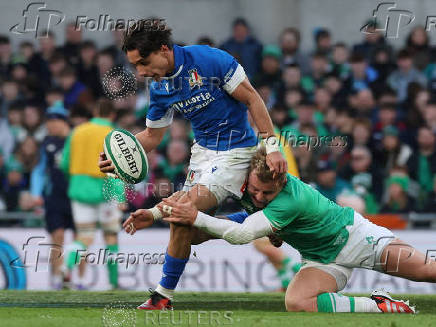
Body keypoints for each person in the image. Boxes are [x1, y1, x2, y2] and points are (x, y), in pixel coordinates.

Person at [99, 18, 287, 309]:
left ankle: (162, 296)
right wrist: (121, 156)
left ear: (164, 49)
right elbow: (152, 134)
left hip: (236, 152)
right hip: (202, 155)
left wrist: (272, 146)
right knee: (186, 228)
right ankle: (255, 221)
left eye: (144, 62)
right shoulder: (160, 89)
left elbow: (252, 99)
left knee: (183, 209)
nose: (141, 72)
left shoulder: (210, 60)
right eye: (136, 66)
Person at [144, 147, 436, 313]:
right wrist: (173, 217)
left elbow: (242, 234)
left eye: (267, 194)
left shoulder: (290, 198)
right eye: (256, 190)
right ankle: (381, 306)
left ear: (281, 185)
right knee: (297, 302)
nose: (258, 197)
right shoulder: (251, 183)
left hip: (358, 238)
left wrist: (196, 217)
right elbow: (244, 219)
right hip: (321, 259)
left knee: (428, 271)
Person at [61, 99, 125, 290]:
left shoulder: (77, 131)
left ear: (94, 112)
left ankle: (66, 268)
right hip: (105, 190)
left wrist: (75, 181)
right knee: (111, 236)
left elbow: (65, 163)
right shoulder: (113, 134)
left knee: (84, 236)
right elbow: (116, 168)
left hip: (79, 189)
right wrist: (120, 196)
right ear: (112, 115)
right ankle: (113, 283)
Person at [30, 102, 74, 289]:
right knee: (57, 236)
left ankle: (76, 279)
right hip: (54, 197)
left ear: (63, 122)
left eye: (52, 120)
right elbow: (39, 170)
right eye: (48, 121)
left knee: (81, 239)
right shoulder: (47, 143)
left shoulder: (75, 140)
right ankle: (56, 280)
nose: (49, 125)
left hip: (75, 196)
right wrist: (36, 193)